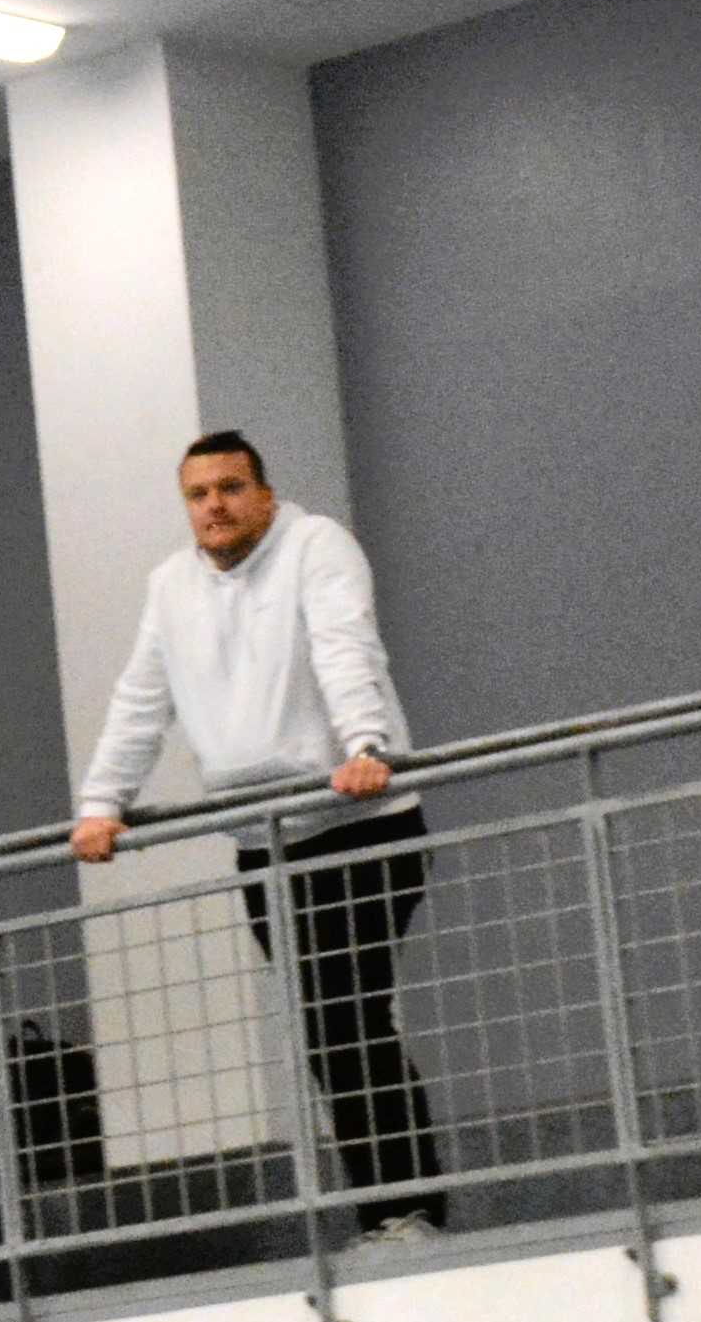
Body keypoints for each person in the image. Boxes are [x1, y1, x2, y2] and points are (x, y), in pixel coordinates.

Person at [72, 432, 447, 1230]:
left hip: (361, 823)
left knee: (344, 1014)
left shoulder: (317, 546)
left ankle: (407, 1212)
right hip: (263, 846)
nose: (215, 505)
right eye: (199, 494)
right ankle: (391, 1213)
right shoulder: (170, 585)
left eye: (232, 488)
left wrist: (366, 747)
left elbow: (346, 647)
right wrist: (101, 802)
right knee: (327, 1025)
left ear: (265, 495)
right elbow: (141, 697)